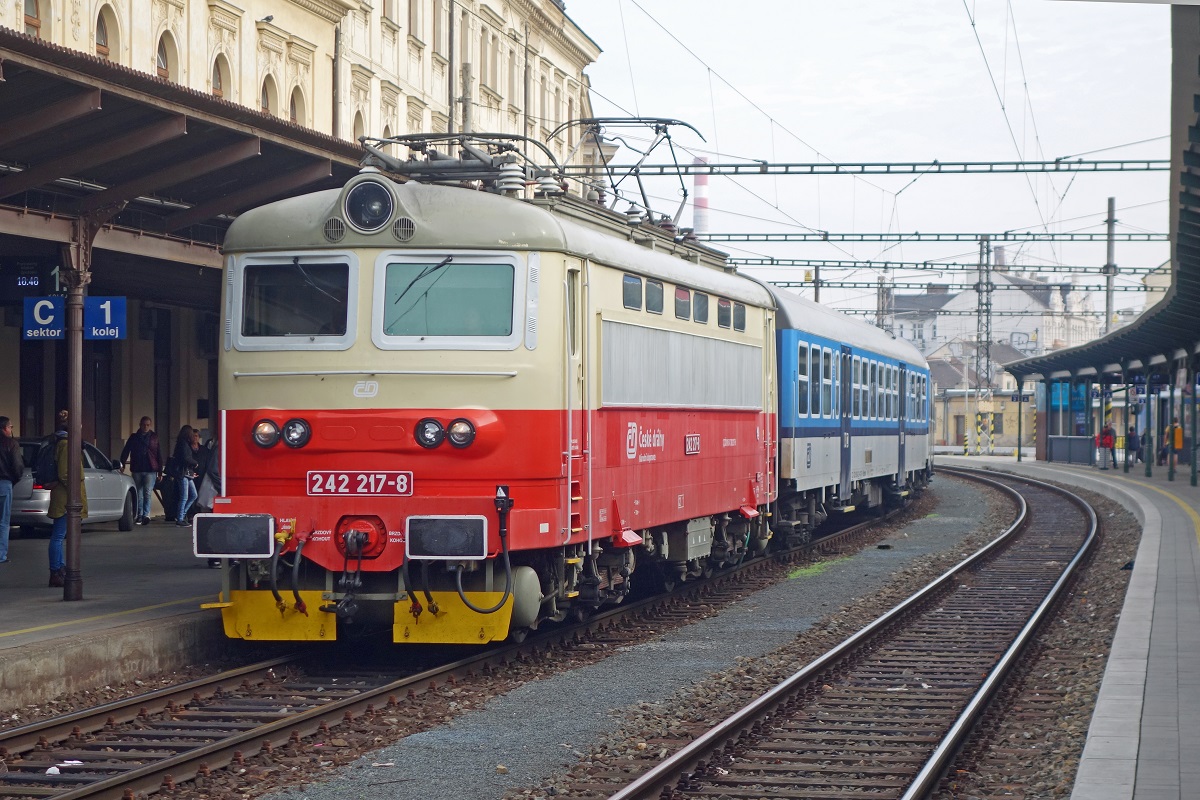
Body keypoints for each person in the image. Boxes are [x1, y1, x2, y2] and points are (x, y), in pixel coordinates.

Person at [47, 410, 87, 587]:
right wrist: (75, 491)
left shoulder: (63, 442)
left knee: (61, 535)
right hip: (65, 498)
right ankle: (56, 570)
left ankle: (60, 567)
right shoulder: (66, 445)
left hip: (63, 496)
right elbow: (65, 473)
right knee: (58, 536)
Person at [119, 416, 164, 526]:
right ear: (140, 424)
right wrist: (122, 463)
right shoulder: (134, 437)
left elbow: (159, 454)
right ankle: (139, 515)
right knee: (139, 492)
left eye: (148, 425)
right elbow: (126, 450)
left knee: (147, 492)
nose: (145, 427)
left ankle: (146, 514)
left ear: (150, 425)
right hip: (138, 468)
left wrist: (160, 471)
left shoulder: (154, 437)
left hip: (150, 469)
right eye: (144, 424)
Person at [0, 416, 23, 565]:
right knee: (3, 522)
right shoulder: (11, 444)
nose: (11, 430)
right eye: (10, 427)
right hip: (4, 483)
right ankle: (1, 555)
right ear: (5, 428)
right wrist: (14, 479)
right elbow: (17, 466)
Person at [170, 425, 199, 527]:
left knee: (193, 495)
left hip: (185, 473)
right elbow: (186, 458)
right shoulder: (184, 444)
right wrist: (195, 463)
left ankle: (181, 515)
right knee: (185, 497)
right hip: (183, 474)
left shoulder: (182, 444)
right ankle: (180, 518)